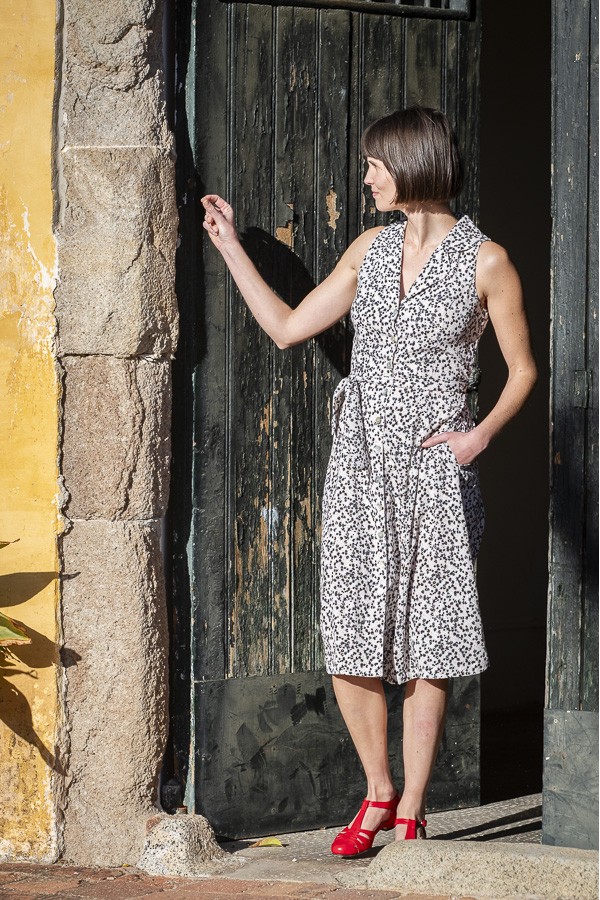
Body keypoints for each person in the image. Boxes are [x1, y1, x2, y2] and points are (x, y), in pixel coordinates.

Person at [201, 105, 537, 857]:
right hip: (360, 464)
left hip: (434, 473)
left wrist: (478, 437)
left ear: (412, 163)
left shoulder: (489, 261)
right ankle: (378, 789)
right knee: (351, 634)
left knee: (428, 640)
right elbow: (289, 327)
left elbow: (524, 371)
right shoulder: (371, 249)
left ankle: (414, 806)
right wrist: (228, 246)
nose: (366, 178)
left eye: (375, 165)